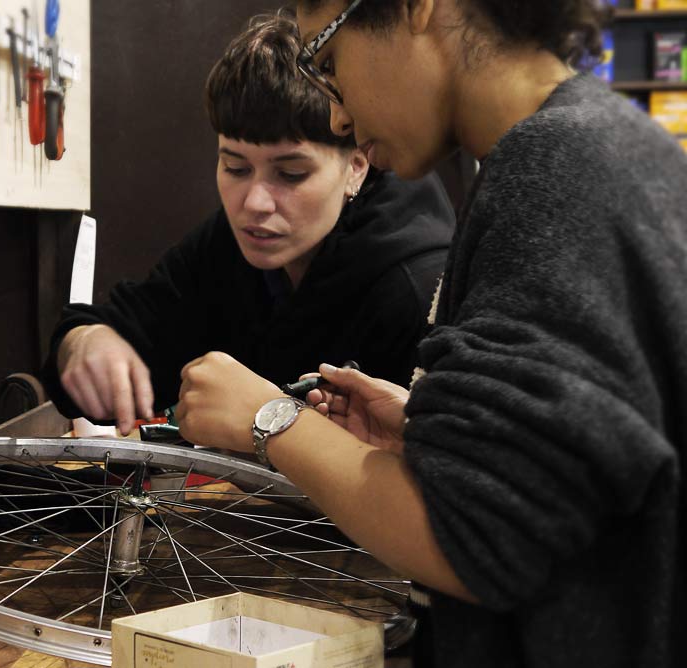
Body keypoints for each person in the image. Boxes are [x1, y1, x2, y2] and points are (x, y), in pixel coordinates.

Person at [176, 1, 686, 667]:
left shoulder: (553, 168)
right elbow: (581, 482)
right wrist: (433, 432)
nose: (338, 114)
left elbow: (479, 541)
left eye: (329, 62)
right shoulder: (599, 143)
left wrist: (269, 419)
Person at [42, 12, 455, 435]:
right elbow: (113, 335)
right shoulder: (229, 246)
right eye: (235, 167)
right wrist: (85, 343)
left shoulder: (416, 289)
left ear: (356, 166)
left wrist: (266, 422)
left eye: (291, 174)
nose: (255, 203)